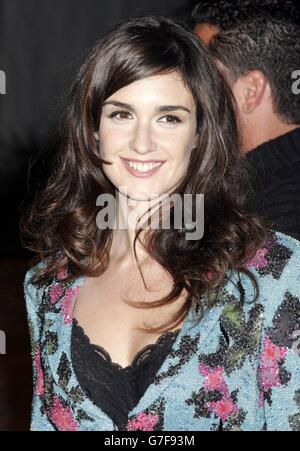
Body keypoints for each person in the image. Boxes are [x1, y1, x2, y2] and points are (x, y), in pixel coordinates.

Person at [20, 15, 300, 431]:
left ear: (200, 134)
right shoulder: (48, 285)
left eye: (169, 118)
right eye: (121, 115)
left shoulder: (275, 274)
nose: (142, 142)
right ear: (93, 130)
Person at [191, 0, 300, 241]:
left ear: (251, 91)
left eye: (199, 76)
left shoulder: (279, 217)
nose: (187, 91)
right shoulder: (247, 186)